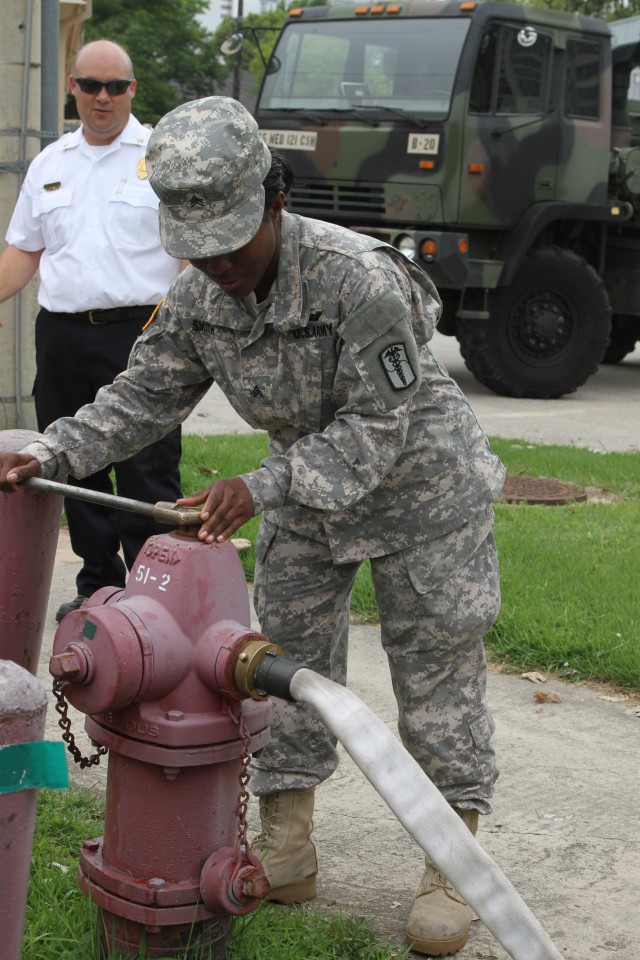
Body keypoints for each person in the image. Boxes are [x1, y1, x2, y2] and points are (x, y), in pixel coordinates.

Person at [0, 97, 506, 957]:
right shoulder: (199, 294)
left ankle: (449, 865)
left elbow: (378, 430)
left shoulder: (360, 278)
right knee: (282, 667)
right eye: (196, 243)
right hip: (306, 500)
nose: (217, 260)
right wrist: (53, 451)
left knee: (437, 681)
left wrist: (258, 483)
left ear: (274, 200)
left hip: (424, 494)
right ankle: (289, 842)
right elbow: (143, 396)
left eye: (232, 238)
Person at [0, 39, 183, 622]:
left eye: (116, 87)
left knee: (146, 466)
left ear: (133, 91)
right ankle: (99, 583)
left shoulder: (164, 156)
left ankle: (154, 594)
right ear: (73, 88)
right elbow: (24, 251)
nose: (103, 98)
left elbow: (189, 252)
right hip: (61, 334)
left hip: (144, 332)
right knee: (71, 463)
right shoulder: (50, 162)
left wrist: (184, 322)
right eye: (91, 85)